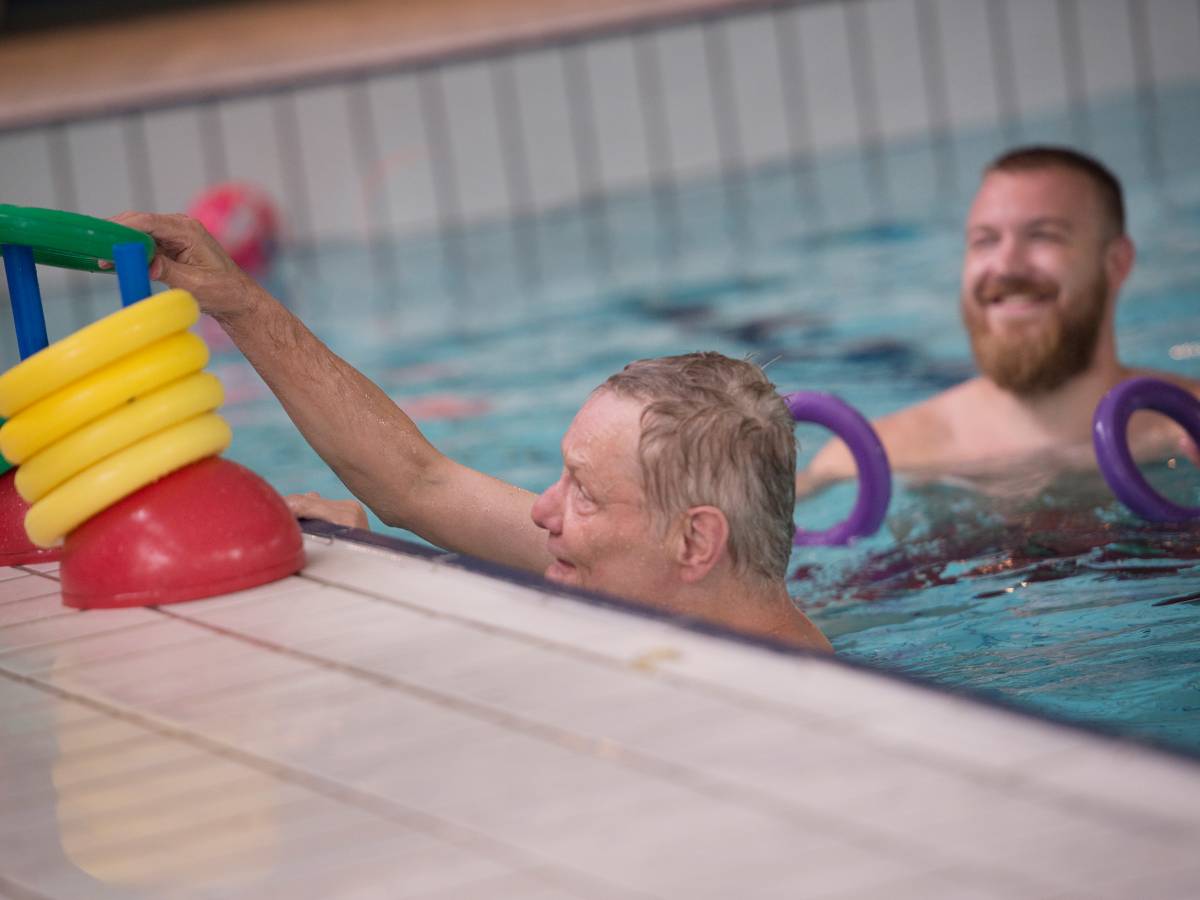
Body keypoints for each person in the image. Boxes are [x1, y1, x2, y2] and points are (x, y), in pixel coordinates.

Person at [111, 211, 831, 652]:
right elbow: (420, 483)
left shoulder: (784, 704)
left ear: (696, 541)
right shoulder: (645, 571)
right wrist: (239, 302)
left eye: (583, 493)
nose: (542, 511)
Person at [800, 146, 1200, 493]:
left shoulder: (1189, 424)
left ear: (1116, 263)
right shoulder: (867, 462)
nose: (1006, 266)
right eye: (985, 240)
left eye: (1044, 235)